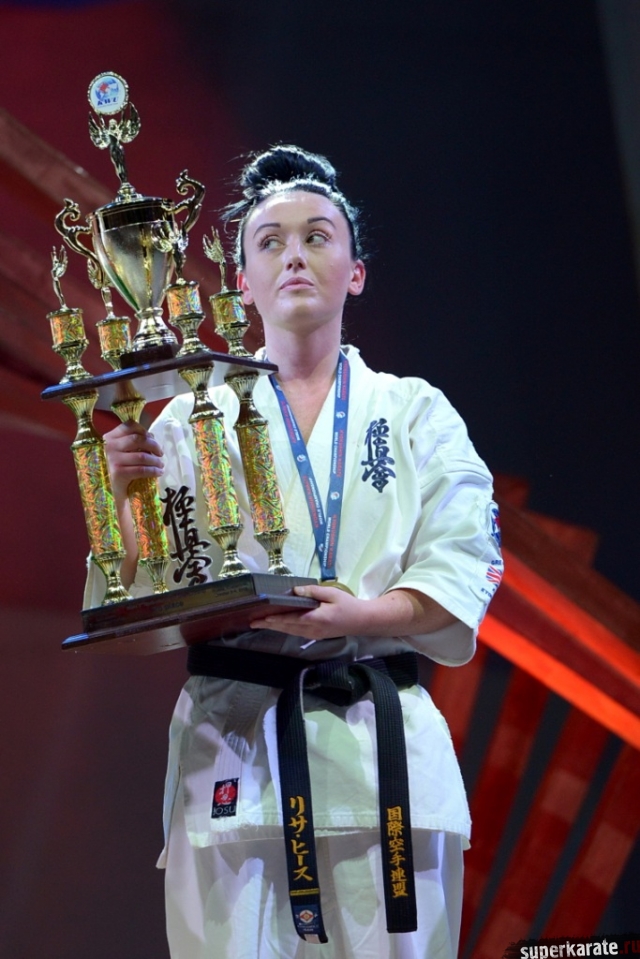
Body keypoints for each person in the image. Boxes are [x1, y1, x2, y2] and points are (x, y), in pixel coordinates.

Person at [92, 145, 503, 959]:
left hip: (382, 751)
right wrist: (121, 495)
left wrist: (362, 615)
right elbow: (140, 596)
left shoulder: (416, 412)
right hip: (235, 749)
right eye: (269, 242)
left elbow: (464, 560)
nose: (294, 256)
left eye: (317, 236)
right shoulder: (189, 419)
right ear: (241, 283)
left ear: (356, 271)